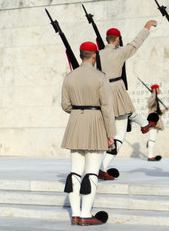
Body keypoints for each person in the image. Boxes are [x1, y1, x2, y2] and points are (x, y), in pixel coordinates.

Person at [61, 42, 116, 225]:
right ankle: (85, 215)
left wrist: (79, 113)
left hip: (75, 123)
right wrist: (111, 133)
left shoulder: (69, 77)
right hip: (96, 123)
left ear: (80, 54)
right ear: (94, 56)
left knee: (75, 172)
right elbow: (107, 108)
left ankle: (75, 214)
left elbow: (66, 105)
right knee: (92, 171)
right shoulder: (100, 77)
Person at [98, 21, 159, 180]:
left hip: (101, 92)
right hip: (116, 90)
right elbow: (135, 44)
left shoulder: (96, 55)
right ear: (117, 39)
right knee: (120, 134)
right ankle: (103, 167)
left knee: (127, 112)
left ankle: (145, 124)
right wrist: (146, 27)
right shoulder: (119, 52)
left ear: (106, 39)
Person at [146, 84, 169, 161]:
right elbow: (149, 103)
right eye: (158, 89)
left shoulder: (155, 99)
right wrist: (154, 93)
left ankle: (150, 155)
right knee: (152, 138)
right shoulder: (153, 98)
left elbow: (157, 111)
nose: (159, 90)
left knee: (152, 138)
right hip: (153, 120)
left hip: (156, 120)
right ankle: (150, 156)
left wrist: (164, 111)